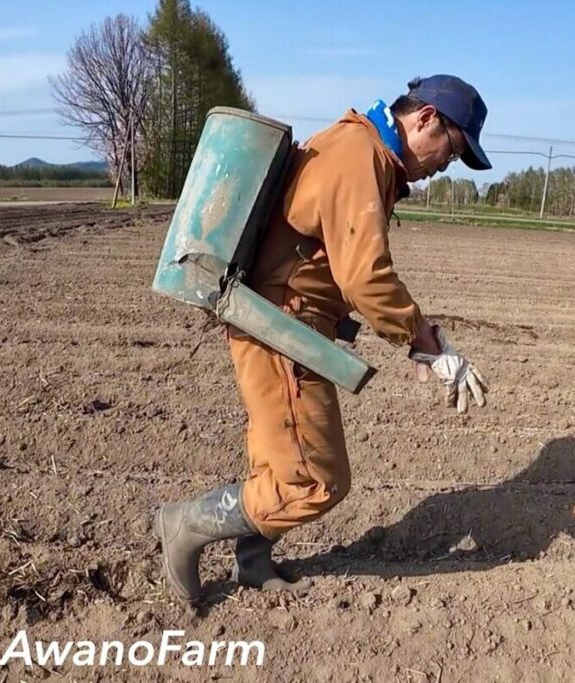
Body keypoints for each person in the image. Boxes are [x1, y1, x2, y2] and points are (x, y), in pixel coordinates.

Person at [154, 74, 492, 603]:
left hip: (284, 323)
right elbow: (366, 277)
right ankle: (185, 524)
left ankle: (251, 559)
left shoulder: (360, 149)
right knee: (315, 479)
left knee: (281, 462)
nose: (442, 166)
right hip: (281, 326)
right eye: (450, 150)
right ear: (426, 119)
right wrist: (426, 342)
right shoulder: (361, 154)